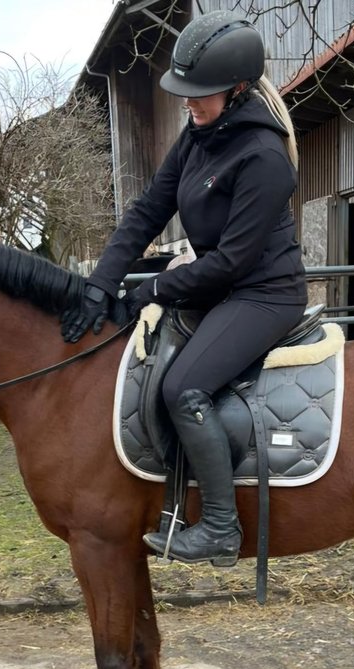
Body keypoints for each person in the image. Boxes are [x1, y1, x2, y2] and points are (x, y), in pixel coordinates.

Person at [62, 10, 307, 565]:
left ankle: (220, 527)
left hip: (261, 294)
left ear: (238, 89)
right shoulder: (198, 136)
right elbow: (149, 209)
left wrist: (153, 291)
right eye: (185, 93)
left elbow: (231, 262)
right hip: (222, 285)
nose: (188, 104)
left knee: (184, 388)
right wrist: (100, 284)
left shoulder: (264, 156)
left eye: (201, 94)